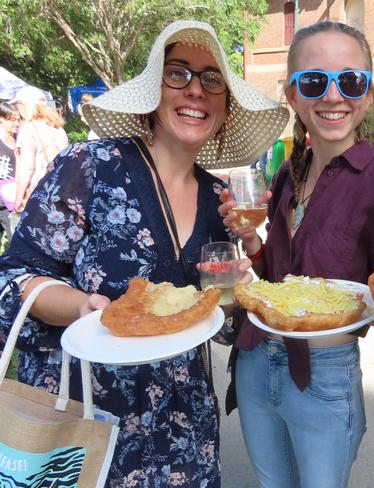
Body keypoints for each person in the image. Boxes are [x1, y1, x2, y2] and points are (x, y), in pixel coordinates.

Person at [0, 20, 288, 487]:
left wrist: (234, 292)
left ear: (225, 110)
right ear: (153, 93)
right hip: (86, 423)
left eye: (211, 80)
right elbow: (14, 278)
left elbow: (217, 325)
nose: (195, 90)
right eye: (178, 73)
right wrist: (80, 307)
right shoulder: (90, 167)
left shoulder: (219, 200)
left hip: (183, 437)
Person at [219, 21, 374, 487]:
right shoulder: (289, 169)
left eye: (351, 80)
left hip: (323, 372)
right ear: (293, 95)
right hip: (257, 356)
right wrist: (253, 241)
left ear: (368, 91)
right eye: (315, 81)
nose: (334, 96)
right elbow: (278, 277)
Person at [13, 86, 68, 212]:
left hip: (39, 192)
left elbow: (27, 168)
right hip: (61, 187)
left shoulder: (29, 129)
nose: (17, 110)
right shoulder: (58, 128)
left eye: (17, 105)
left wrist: (18, 198)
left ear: (23, 105)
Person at [0, 102, 20, 244]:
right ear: (1, 118)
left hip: (12, 199)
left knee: (15, 238)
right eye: (12, 120)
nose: (16, 123)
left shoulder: (19, 139)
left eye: (18, 119)